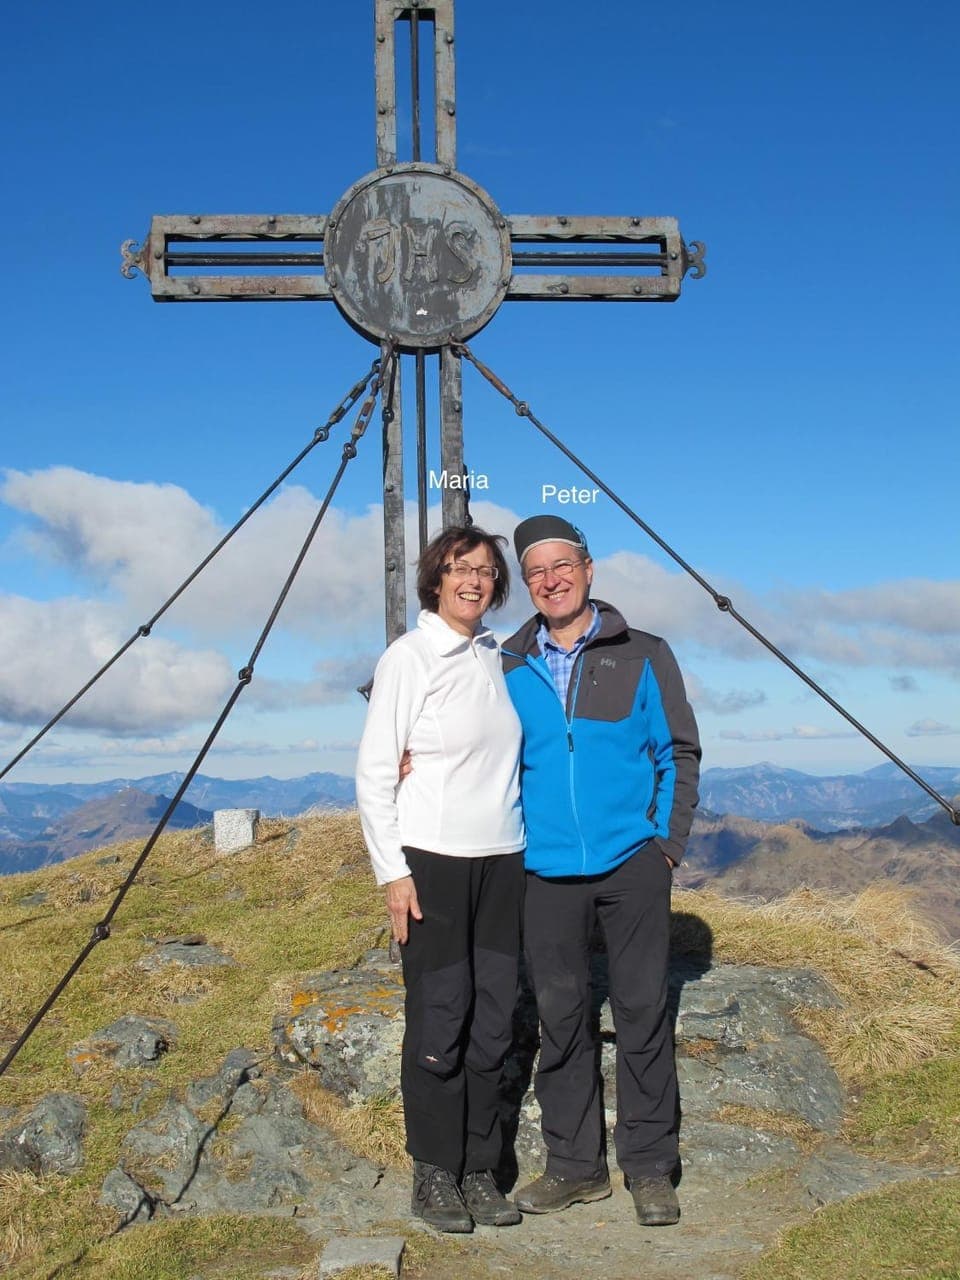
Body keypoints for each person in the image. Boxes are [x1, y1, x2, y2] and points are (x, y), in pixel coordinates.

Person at [502, 515, 700, 1227]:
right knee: (562, 1019)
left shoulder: (643, 652)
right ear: (527, 586)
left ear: (589, 570)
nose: (550, 580)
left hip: (632, 866)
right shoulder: (505, 664)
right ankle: (576, 1168)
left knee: (644, 1012)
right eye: (535, 572)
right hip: (543, 871)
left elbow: (678, 752)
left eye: (562, 565)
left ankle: (650, 1169)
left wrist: (665, 847)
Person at [356, 526, 525, 1234]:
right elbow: (373, 770)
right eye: (460, 568)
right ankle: (434, 1170)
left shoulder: (495, 655)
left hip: (504, 857)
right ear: (435, 579)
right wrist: (393, 872)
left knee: (493, 1020)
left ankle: (481, 1169)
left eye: (486, 571)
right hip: (433, 860)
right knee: (440, 1015)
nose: (474, 580)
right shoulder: (411, 655)